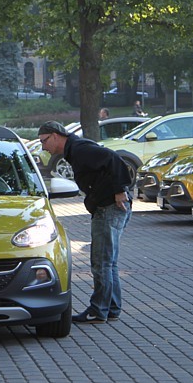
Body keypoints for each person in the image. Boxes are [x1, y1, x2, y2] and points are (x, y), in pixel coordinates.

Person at [38, 121, 132, 324]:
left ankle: (98, 310)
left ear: (55, 136)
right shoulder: (76, 149)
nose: (44, 147)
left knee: (101, 263)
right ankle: (111, 308)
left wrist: (119, 191)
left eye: (44, 141)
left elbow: (113, 159)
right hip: (108, 207)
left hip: (109, 208)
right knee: (109, 262)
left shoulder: (80, 149)